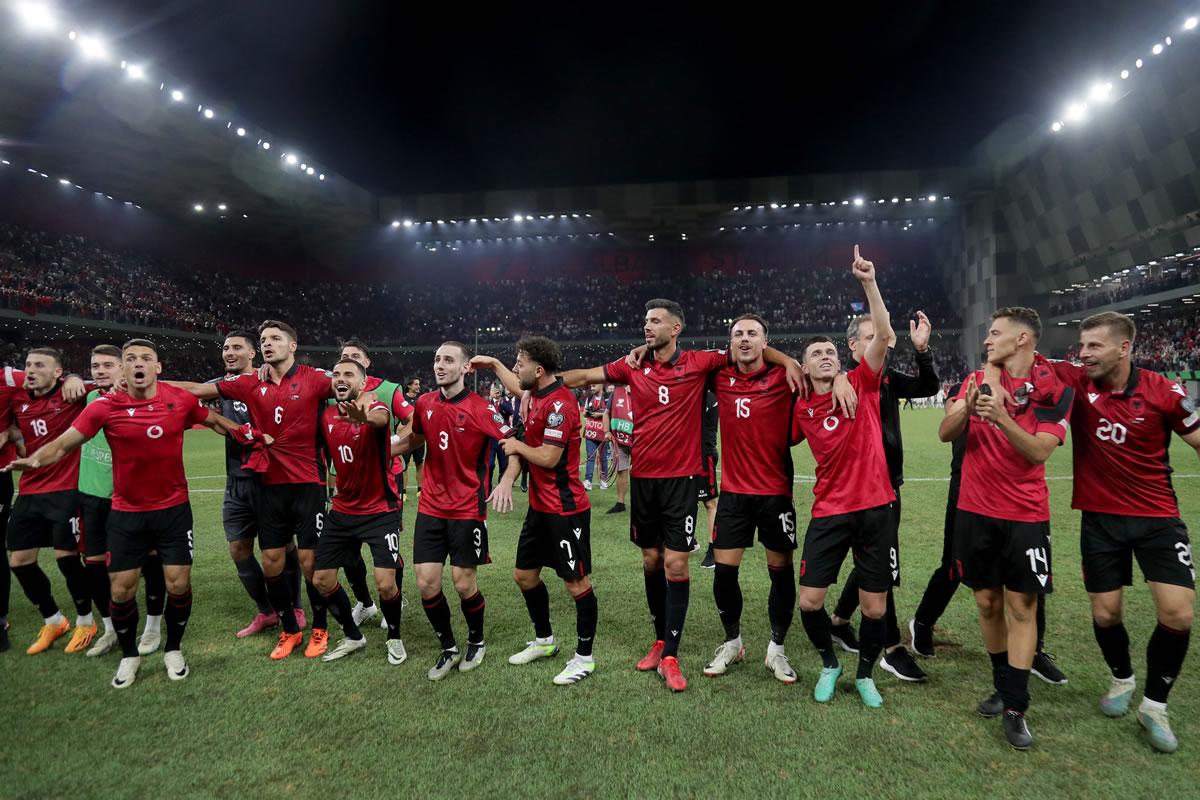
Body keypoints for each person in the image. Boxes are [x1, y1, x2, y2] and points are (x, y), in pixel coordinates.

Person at [562, 298, 807, 692]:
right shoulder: (632, 364)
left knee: (677, 563)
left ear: (674, 328)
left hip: (683, 480)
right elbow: (586, 377)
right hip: (643, 478)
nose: (647, 326)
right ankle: (661, 640)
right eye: (645, 320)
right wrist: (546, 384)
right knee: (651, 559)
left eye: (655, 321)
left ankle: (673, 653)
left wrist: (790, 362)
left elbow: (752, 350)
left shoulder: (701, 363)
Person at [6, 339, 261, 688]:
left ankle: (173, 647)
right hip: (126, 512)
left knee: (179, 583)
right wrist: (34, 459)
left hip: (173, 510)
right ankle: (129, 655)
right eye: (130, 359)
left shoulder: (179, 399)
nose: (137, 363)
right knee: (121, 589)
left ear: (157, 367)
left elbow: (214, 420)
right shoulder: (103, 407)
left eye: (146, 358)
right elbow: (65, 442)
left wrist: (247, 435)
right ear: (123, 370)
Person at [1049, 311, 1199, 753]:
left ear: (1124, 348)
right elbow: (1024, 357)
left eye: (1094, 345)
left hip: (1157, 517)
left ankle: (1154, 705)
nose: (1084, 353)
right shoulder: (1077, 382)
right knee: (1106, 614)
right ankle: (1122, 679)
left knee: (1178, 613)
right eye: (1082, 345)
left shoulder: (1164, 391)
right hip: (1099, 519)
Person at [938, 306, 1073, 750]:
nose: (987, 340)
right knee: (986, 601)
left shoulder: (1054, 387)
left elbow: (1038, 452)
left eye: (995, 333)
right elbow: (945, 431)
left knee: (1022, 607)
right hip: (974, 509)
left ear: (1022, 339)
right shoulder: (976, 380)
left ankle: (1016, 706)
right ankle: (1003, 684)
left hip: (1025, 514)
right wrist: (970, 408)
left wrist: (999, 416)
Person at [172, 320, 334, 660]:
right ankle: (289, 629)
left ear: (292, 345)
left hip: (308, 484)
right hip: (267, 485)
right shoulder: (248, 383)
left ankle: (319, 627)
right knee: (272, 559)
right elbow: (196, 391)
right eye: (264, 339)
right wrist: (143, 384)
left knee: (309, 562)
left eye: (276, 338)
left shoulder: (315, 378)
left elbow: (352, 385)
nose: (269, 343)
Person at [791, 246, 896, 709]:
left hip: (875, 508)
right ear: (804, 366)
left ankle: (866, 674)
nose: (826, 357)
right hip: (829, 511)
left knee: (875, 608)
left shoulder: (863, 383)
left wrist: (868, 283)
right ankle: (829, 663)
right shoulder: (799, 407)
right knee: (810, 602)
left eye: (831, 352)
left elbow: (885, 334)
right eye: (816, 354)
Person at [473, 336, 598, 685]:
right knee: (524, 576)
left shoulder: (561, 404)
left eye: (520, 362)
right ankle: (545, 642)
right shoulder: (534, 394)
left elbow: (548, 457)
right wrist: (494, 364)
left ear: (539, 370)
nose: (516, 368)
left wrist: (515, 445)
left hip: (565, 509)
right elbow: (518, 386)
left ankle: (584, 658)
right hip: (540, 508)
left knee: (576, 583)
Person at [826, 310, 939, 683]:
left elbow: (928, 387)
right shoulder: (837, 380)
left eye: (883, 335)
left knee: (871, 562)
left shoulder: (887, 378)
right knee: (881, 567)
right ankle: (891, 649)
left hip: (888, 485)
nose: (883, 340)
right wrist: (840, 375)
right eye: (872, 335)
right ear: (853, 345)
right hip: (854, 491)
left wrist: (922, 351)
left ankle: (840, 622)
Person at [395, 341, 514, 681]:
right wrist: (385, 451)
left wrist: (505, 480)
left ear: (465, 368)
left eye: (449, 360)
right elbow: (415, 438)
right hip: (431, 507)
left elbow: (512, 444)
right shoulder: (425, 403)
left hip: (467, 509)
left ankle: (476, 640)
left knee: (463, 585)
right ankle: (448, 647)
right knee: (426, 584)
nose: (440, 365)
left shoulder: (481, 409)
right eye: (437, 359)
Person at [701, 314, 805, 684]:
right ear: (730, 342)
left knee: (781, 573)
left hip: (775, 494)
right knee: (724, 576)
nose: (744, 339)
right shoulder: (719, 377)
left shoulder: (785, 378)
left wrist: (789, 361)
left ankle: (776, 649)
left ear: (765, 341)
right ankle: (733, 642)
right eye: (737, 334)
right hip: (734, 495)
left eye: (752, 334)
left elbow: (816, 376)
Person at [310, 359, 407, 665]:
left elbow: (380, 419)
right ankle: (353, 636)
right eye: (336, 374)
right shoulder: (326, 415)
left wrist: (364, 418)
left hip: (380, 510)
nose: (340, 378)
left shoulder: (375, 407)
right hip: (342, 510)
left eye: (348, 374)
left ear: (363, 383)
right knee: (321, 580)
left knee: (386, 584)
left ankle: (394, 636)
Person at [209, 331, 297, 639]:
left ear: (252, 354)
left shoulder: (267, 381)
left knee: (283, 546)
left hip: (271, 479)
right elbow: (187, 392)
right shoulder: (220, 386)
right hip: (236, 481)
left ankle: (295, 606)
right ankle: (267, 610)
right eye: (225, 347)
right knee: (238, 548)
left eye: (236, 347)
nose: (229, 352)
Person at [4, 348, 93, 656]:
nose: (30, 370)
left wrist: (75, 376)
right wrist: (13, 434)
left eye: (39, 365)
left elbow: (105, 385)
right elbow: (14, 428)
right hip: (29, 489)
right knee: (19, 561)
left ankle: (86, 621)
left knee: (66, 558)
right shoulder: (18, 398)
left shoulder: (73, 394)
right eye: (28, 364)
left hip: (67, 488)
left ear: (57, 372)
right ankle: (54, 619)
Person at [337, 340, 415, 630]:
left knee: (387, 544)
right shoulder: (335, 391)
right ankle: (365, 602)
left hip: (385, 476)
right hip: (347, 479)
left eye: (355, 357)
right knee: (347, 546)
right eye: (344, 357)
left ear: (367, 363)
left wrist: (395, 441)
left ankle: (396, 594)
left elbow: (412, 419)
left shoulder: (389, 389)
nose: (349, 361)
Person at [696, 386, 719, 568]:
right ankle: (690, 540)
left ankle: (713, 549)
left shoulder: (709, 396)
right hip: (687, 455)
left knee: (710, 502)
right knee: (685, 499)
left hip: (704, 455)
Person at [604, 384, 634, 514]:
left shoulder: (644, 387)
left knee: (641, 472)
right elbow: (606, 413)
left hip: (640, 441)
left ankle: (644, 502)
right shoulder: (616, 392)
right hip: (619, 440)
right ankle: (620, 503)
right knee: (621, 471)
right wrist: (606, 431)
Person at [581, 384, 609, 490]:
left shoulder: (607, 398)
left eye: (594, 385)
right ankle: (588, 481)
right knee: (590, 457)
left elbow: (611, 412)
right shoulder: (589, 398)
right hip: (591, 432)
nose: (592, 387)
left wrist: (600, 415)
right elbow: (584, 413)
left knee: (603, 458)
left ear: (601, 385)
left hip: (603, 432)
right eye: (591, 386)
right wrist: (587, 413)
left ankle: (603, 480)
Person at [400, 377, 425, 495]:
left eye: (418, 384)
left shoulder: (421, 400)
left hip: (419, 437)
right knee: (404, 465)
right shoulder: (401, 399)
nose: (418, 386)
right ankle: (403, 491)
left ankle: (420, 490)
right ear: (409, 386)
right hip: (406, 438)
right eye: (416, 384)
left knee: (419, 463)